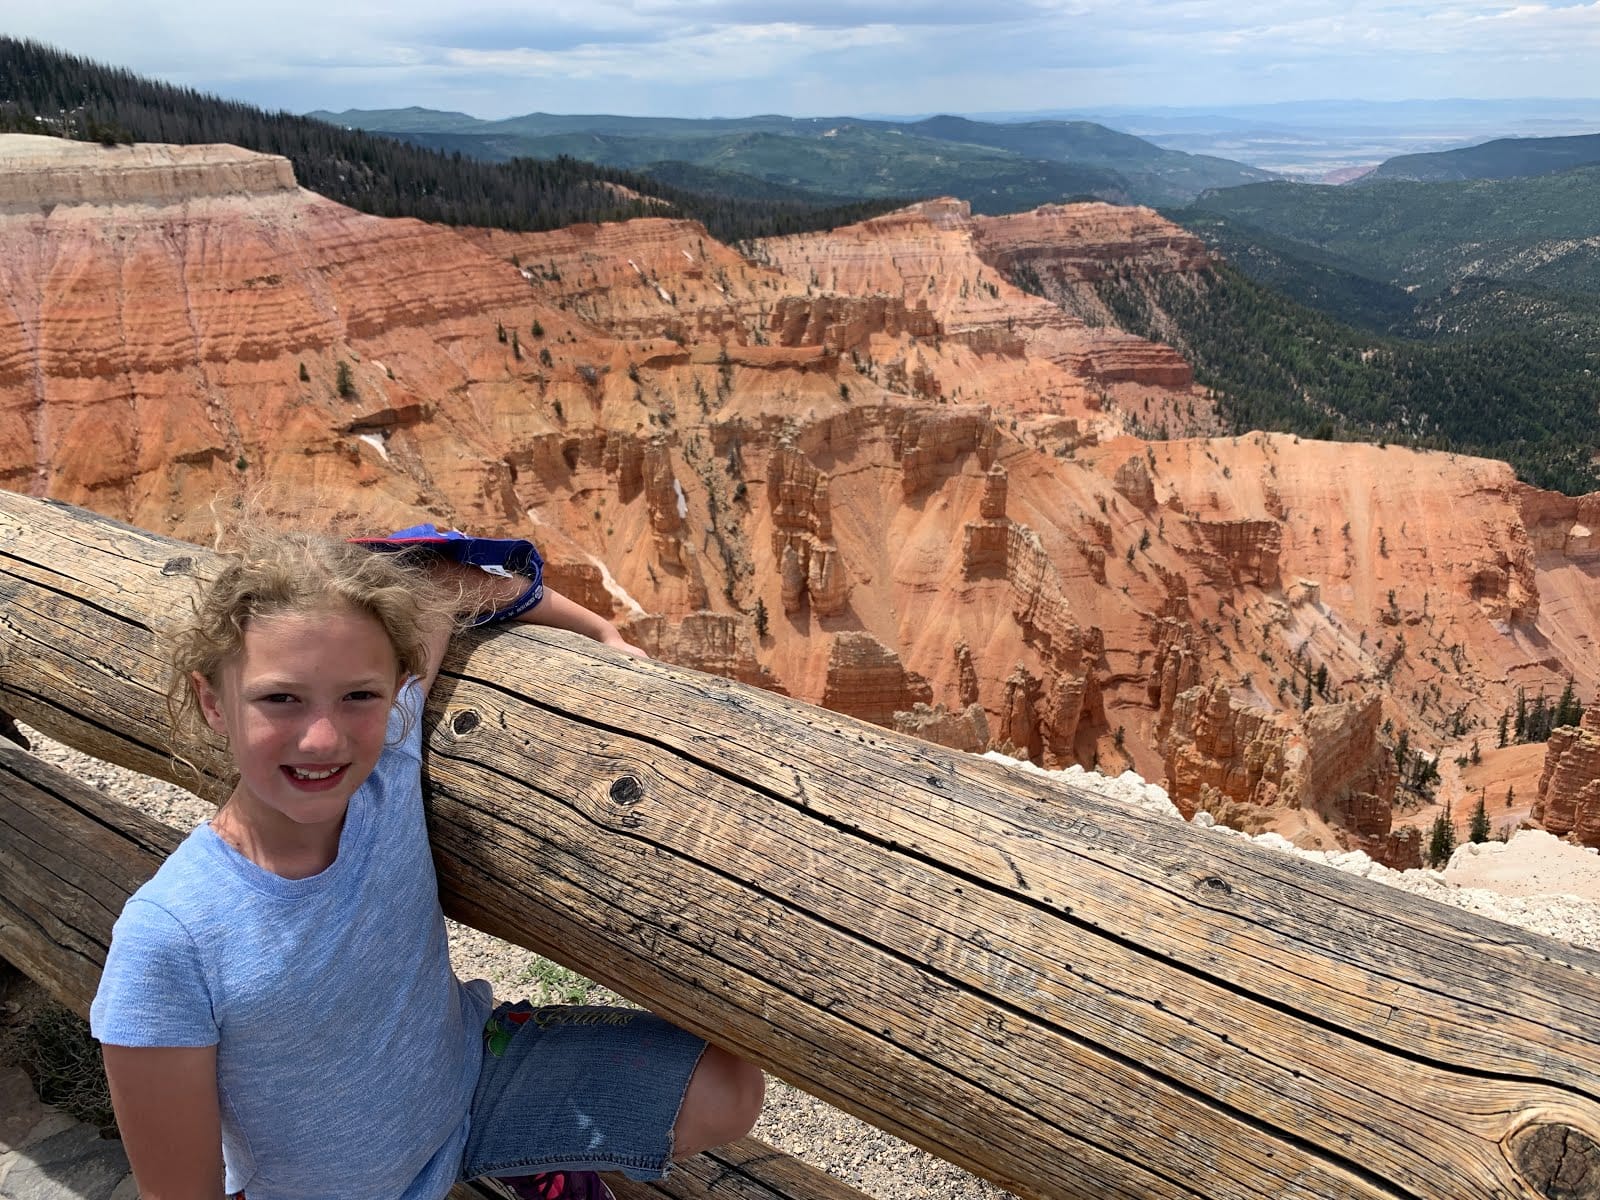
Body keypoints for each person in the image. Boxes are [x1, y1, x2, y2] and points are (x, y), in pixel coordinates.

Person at [89, 525, 763, 1200]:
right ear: (214, 702)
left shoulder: (389, 761)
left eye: (359, 696)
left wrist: (599, 631)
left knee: (728, 1089)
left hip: (471, 1077)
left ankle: (526, 1154)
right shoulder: (169, 938)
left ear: (398, 691)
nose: (323, 737)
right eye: (280, 698)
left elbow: (447, 581)